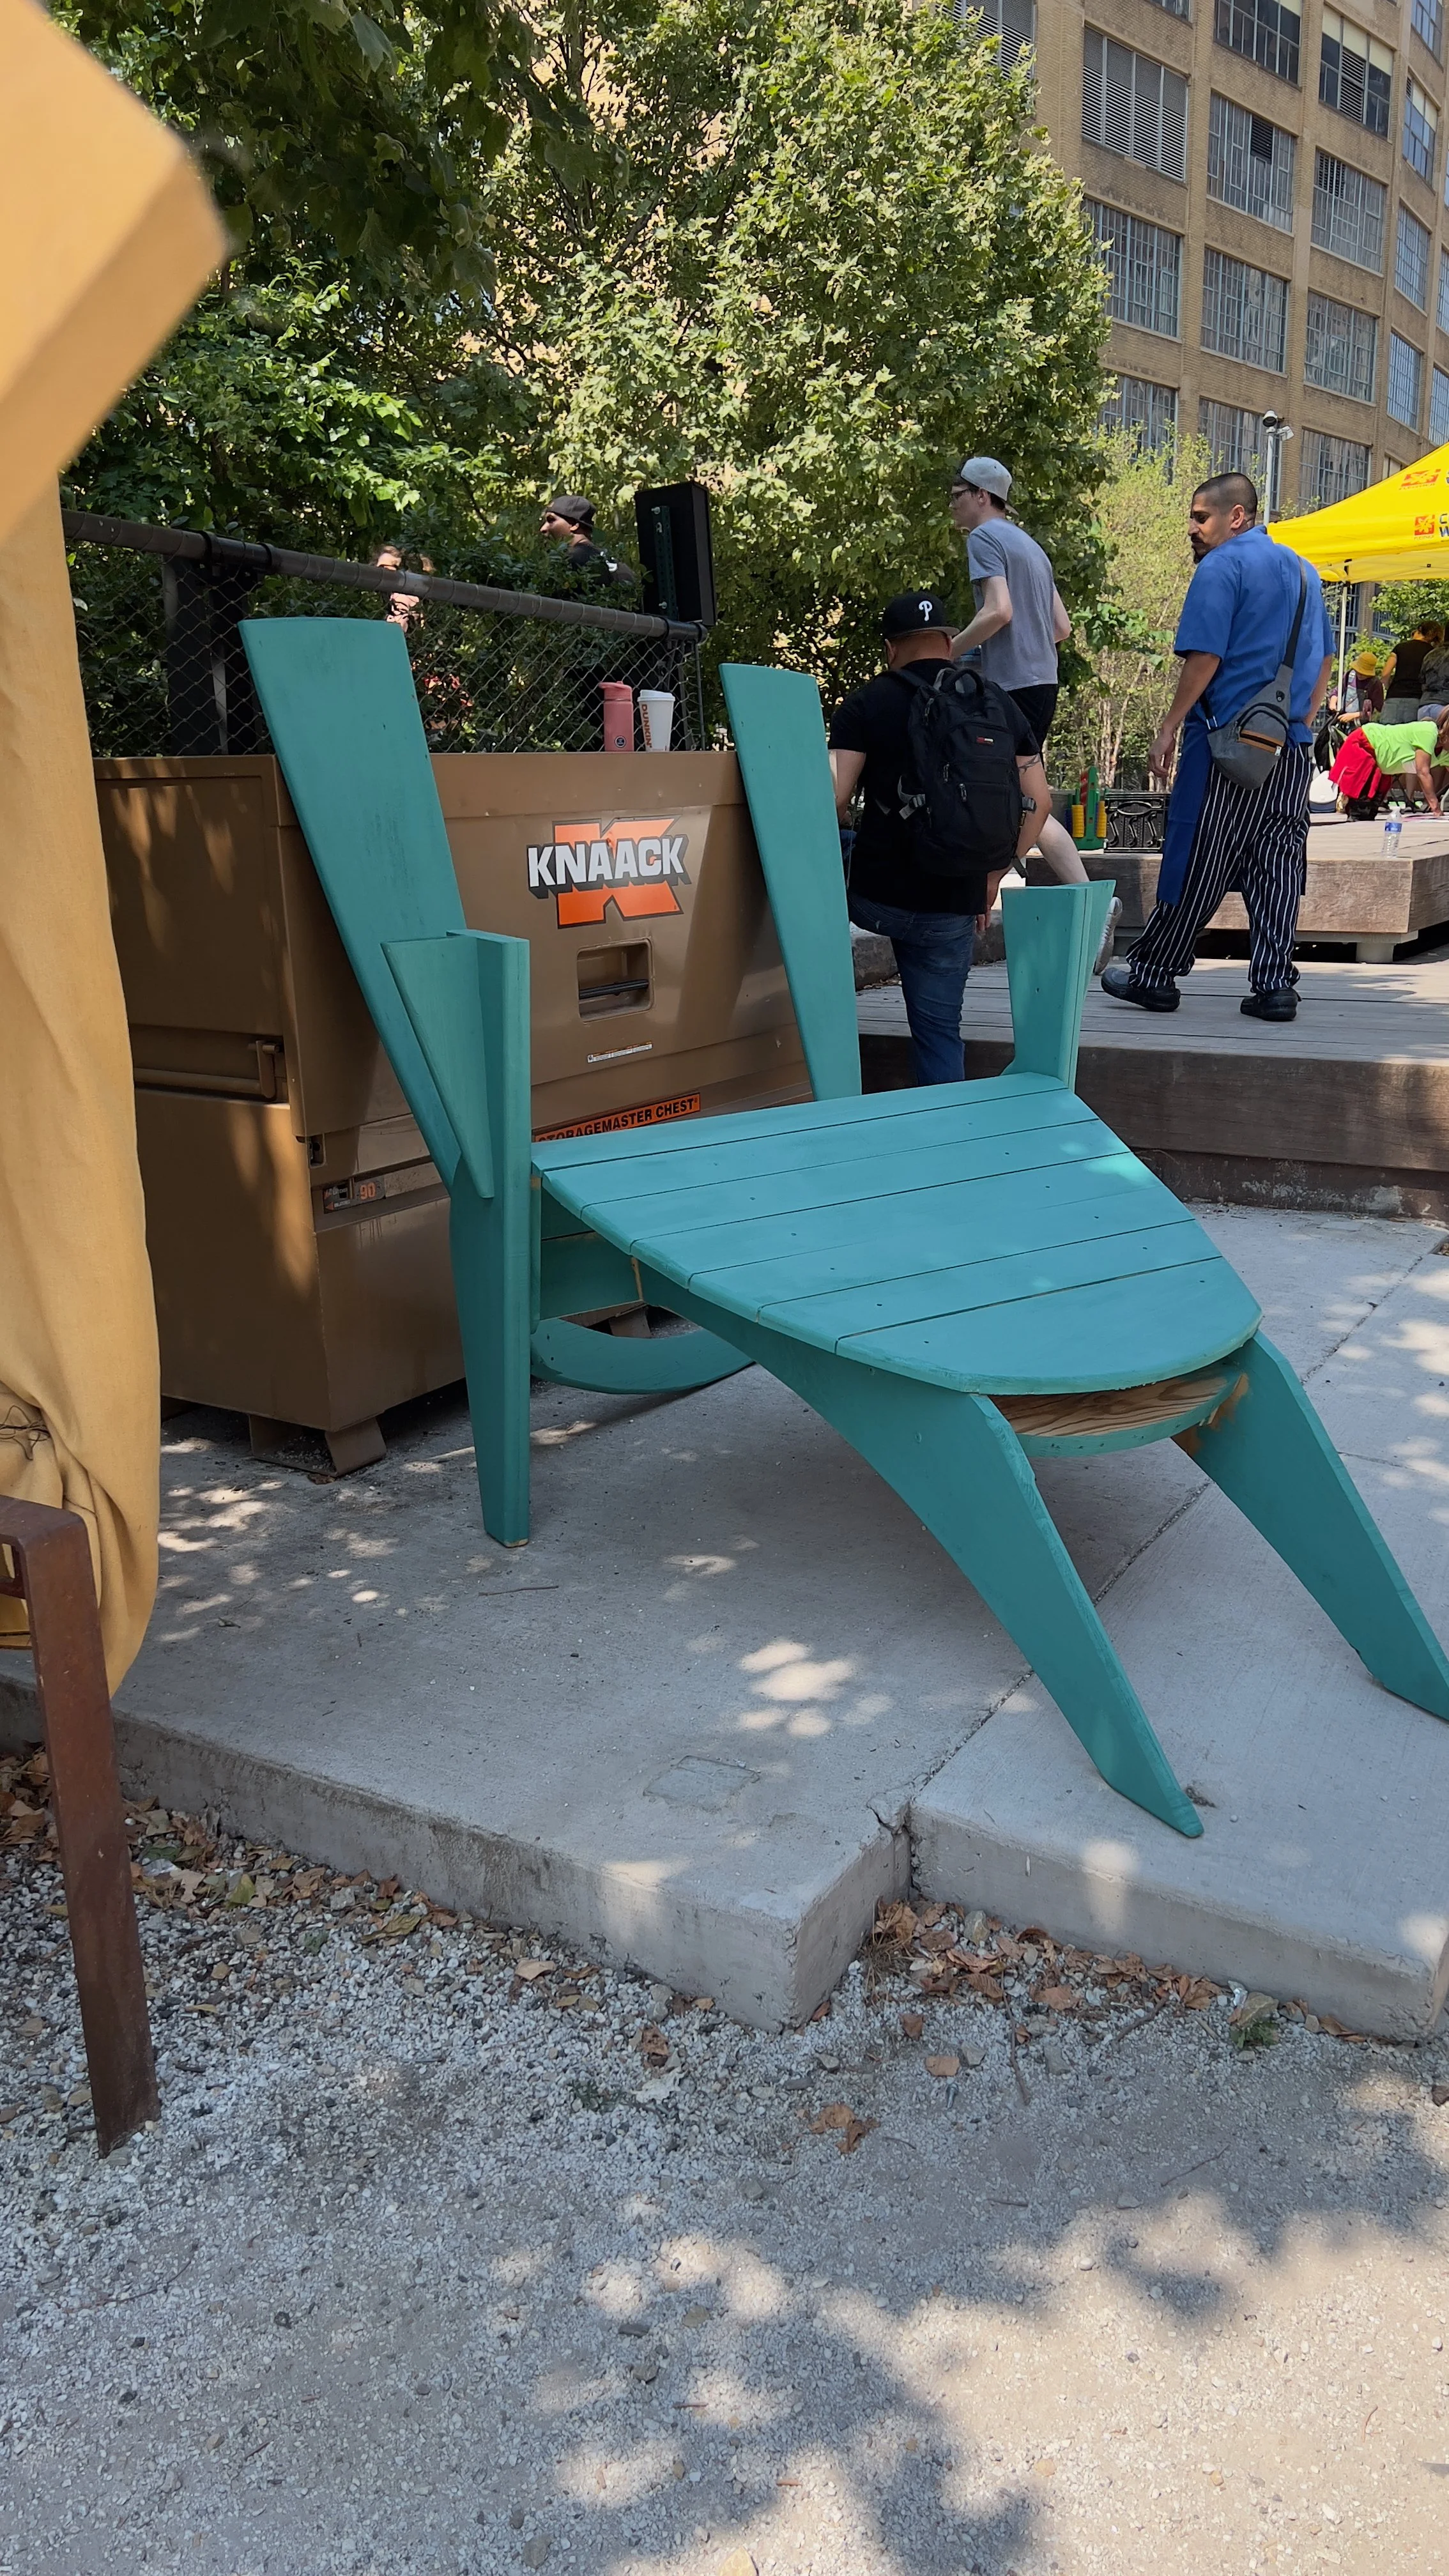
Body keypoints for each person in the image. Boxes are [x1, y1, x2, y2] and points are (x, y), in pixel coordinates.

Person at [1100, 472, 1334, 1025]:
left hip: (1228, 746)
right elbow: (1324, 660)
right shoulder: (1305, 572)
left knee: (1201, 852)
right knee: (1277, 860)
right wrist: (1299, 718)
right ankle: (1274, 985)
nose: (1192, 528)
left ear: (1237, 516)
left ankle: (1155, 973)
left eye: (1201, 517)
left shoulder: (1222, 568)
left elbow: (1203, 658)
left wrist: (1168, 726)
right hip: (1291, 747)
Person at [828, 591, 1054, 1086]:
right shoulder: (995, 703)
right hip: (955, 898)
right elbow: (1039, 802)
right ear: (950, 642)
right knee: (938, 1032)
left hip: (874, 897)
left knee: (837, 850)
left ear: (891, 648)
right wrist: (991, 876)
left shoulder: (868, 703)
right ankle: (945, 1137)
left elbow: (831, 801)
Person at [947, 457, 1123, 931]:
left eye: (958, 494)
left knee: (1009, 795)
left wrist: (948, 652)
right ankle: (1091, 904)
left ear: (982, 496)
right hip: (1042, 683)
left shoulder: (984, 539)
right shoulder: (1032, 547)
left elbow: (998, 611)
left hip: (1011, 690)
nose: (953, 505)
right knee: (1029, 797)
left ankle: (983, 892)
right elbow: (1061, 628)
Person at [1330, 712, 1448, 818]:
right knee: (1360, 809)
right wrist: (1435, 807)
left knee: (1368, 812)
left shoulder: (1446, 753)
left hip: (1381, 765)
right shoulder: (1428, 731)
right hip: (1366, 743)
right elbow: (1422, 772)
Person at [540, 494, 632, 585]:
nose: (543, 529)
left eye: (551, 520)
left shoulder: (570, 561)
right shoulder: (614, 562)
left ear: (574, 525)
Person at [1380, 622, 1441, 724]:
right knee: (1410, 737)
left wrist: (1388, 687)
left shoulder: (1400, 647)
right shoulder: (1433, 653)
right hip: (1417, 700)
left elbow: (1385, 674)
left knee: (1388, 735)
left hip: (1394, 697)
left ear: (1419, 631)